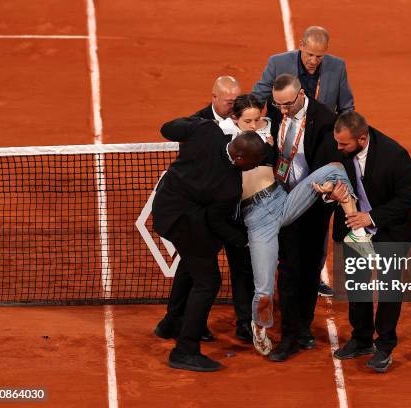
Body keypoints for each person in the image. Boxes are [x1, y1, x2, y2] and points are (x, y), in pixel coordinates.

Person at [217, 94, 366, 357]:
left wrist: (329, 189)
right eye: (247, 121)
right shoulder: (225, 142)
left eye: (256, 119)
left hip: (281, 200)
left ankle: (357, 228)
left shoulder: (267, 129)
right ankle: (260, 326)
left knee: (334, 169)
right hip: (257, 219)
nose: (253, 124)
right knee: (264, 289)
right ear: (235, 120)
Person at [152, 116, 265, 372]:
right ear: (239, 159)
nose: (253, 168)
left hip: (166, 206)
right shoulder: (229, 184)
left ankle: (170, 324)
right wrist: (245, 241)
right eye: (252, 164)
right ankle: (185, 350)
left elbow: (167, 128)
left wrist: (193, 123)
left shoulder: (206, 130)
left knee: (192, 266)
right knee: (208, 281)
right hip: (183, 223)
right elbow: (218, 224)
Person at [329, 111, 411, 373]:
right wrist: (331, 194)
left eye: (344, 144)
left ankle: (384, 346)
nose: (338, 148)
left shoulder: (395, 156)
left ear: (361, 138)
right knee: (357, 283)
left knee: (389, 287)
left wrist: (370, 218)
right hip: (354, 227)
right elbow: (330, 181)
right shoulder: (341, 149)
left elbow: (407, 200)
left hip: (390, 229)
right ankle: (361, 339)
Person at [260, 74, 344, 362]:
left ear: (300, 95)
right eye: (278, 104)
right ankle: (290, 337)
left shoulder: (324, 120)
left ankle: (303, 327)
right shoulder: (275, 111)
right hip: (282, 200)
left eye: (287, 105)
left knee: (309, 271)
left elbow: (326, 168)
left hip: (312, 205)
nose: (282, 110)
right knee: (288, 269)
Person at [187, 75, 255, 343]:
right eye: (229, 102)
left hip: (236, 210)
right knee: (200, 273)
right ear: (214, 98)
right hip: (207, 214)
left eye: (237, 100)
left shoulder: (243, 120)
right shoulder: (197, 123)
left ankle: (245, 322)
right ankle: (194, 323)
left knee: (242, 267)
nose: (234, 106)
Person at [252, 26, 354, 114]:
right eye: (310, 55)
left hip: (320, 130)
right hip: (283, 127)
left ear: (326, 48)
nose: (314, 61)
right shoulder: (278, 63)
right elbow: (258, 97)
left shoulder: (337, 67)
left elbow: (346, 108)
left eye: (319, 56)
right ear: (301, 45)